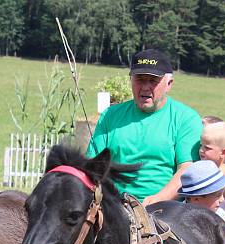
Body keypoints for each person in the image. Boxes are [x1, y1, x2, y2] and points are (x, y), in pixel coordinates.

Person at [86, 48, 202, 205]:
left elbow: (187, 169)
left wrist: (156, 200)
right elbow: (92, 164)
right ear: (131, 80)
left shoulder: (186, 118)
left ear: (169, 84)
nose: (146, 87)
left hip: (165, 210)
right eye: (140, 79)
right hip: (113, 206)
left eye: (153, 81)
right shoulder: (109, 115)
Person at [199, 121, 225, 223]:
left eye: (207, 148)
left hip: (219, 223)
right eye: (201, 145)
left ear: (223, 152)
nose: (201, 150)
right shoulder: (198, 170)